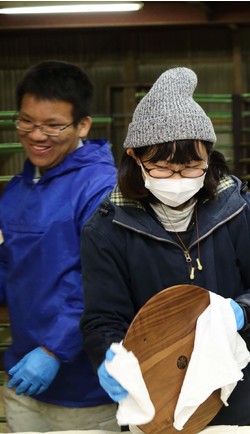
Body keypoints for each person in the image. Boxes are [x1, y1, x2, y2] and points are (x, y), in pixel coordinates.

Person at [79, 67, 250, 427]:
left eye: (192, 166)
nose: (178, 180)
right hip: (156, 401)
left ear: (208, 156)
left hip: (239, 399)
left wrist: (243, 312)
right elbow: (103, 318)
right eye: (162, 168)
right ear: (134, 158)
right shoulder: (107, 227)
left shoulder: (235, 207)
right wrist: (108, 355)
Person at [0, 60, 119, 432]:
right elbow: (11, 271)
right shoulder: (17, 189)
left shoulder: (100, 187)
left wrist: (53, 349)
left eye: (53, 125)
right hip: (23, 381)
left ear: (83, 125)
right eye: (26, 121)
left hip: (85, 390)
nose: (36, 135)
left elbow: (101, 280)